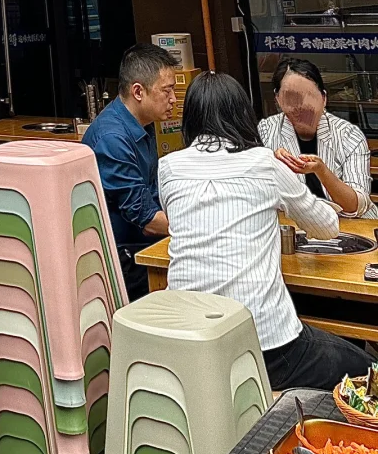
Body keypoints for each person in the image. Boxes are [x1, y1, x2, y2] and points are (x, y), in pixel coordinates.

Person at [159, 70, 369, 392]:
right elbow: (327, 227)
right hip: (266, 347)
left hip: (188, 343)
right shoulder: (265, 162)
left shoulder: (168, 167)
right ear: (244, 113)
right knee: (366, 369)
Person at [83, 43, 177, 299]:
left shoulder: (143, 122)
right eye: (166, 90)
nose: (173, 99)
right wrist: (200, 229)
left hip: (143, 243)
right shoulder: (112, 138)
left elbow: (153, 192)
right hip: (121, 257)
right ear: (138, 91)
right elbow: (146, 219)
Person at [260, 58, 376, 219]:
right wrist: (270, 161)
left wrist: (321, 171)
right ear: (278, 99)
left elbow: (356, 206)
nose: (301, 106)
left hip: (350, 224)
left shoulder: (348, 135)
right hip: (293, 224)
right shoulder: (266, 131)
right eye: (291, 97)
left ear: (323, 98)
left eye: (309, 96)